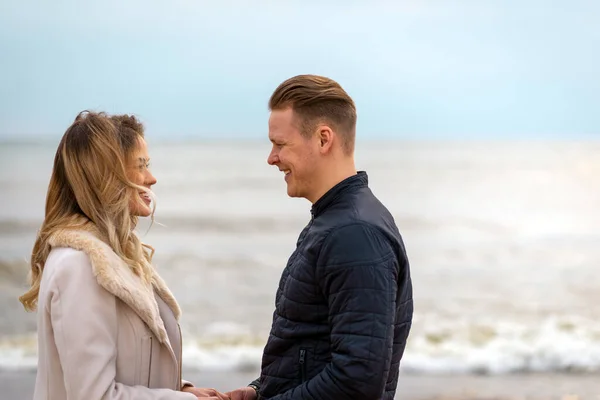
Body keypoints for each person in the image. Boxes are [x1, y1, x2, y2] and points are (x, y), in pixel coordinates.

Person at [226, 75, 413, 400]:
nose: (272, 158)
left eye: (281, 144)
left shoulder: (355, 233)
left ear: (324, 139)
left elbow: (356, 382)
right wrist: (258, 391)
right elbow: (309, 347)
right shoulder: (335, 221)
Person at [19, 111, 229, 400]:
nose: (152, 178)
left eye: (149, 165)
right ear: (106, 175)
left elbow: (126, 364)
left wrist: (182, 388)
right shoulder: (78, 266)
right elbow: (95, 395)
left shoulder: (115, 255)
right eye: (140, 166)